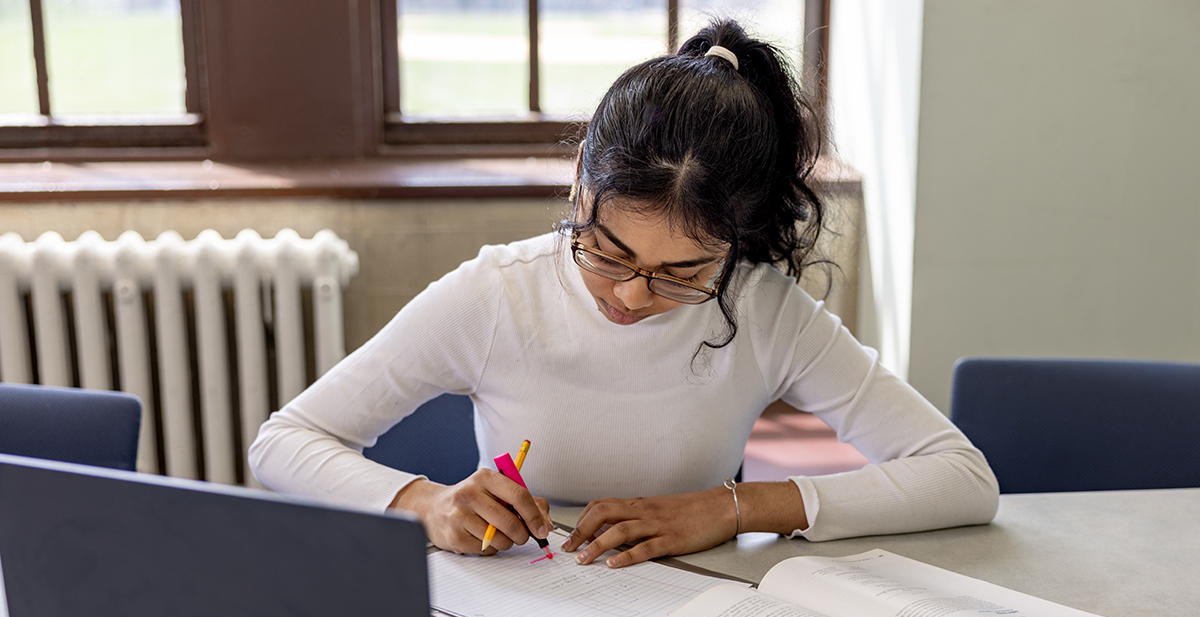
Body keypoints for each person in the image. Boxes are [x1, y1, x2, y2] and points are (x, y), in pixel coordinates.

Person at [249, 19, 998, 569]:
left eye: (683, 273)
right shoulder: (498, 296)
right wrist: (427, 502)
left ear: (739, 240)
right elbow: (282, 443)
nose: (633, 296)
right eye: (607, 251)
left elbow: (962, 478)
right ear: (582, 176)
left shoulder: (763, 309)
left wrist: (733, 507)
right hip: (526, 614)